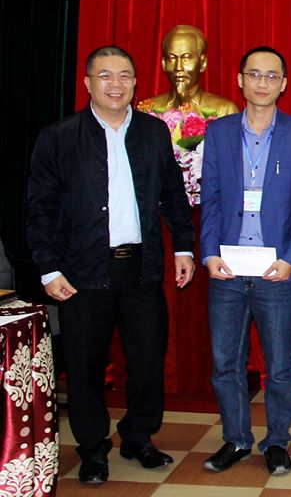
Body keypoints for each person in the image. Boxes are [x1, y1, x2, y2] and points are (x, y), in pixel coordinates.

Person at [26, 46, 195, 485]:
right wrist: (48, 268)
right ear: (87, 83)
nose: (115, 84)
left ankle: (138, 437)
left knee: (147, 359)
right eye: (105, 75)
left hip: (141, 268)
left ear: (135, 83)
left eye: (124, 76)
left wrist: (184, 247)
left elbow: (173, 195)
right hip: (82, 271)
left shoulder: (153, 133)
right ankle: (93, 449)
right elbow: (39, 209)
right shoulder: (60, 137)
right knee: (84, 365)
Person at [199, 46, 291, 476]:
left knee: (280, 366)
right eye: (254, 74)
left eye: (271, 76)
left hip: (277, 272)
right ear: (240, 80)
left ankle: (276, 441)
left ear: (283, 84)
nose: (262, 83)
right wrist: (208, 253)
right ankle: (235, 438)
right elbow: (211, 199)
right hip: (228, 269)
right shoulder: (219, 133)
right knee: (225, 365)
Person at [137, 24, 239, 117]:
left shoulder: (224, 110)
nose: (178, 67)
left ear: (202, 63)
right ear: (163, 64)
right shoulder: (148, 109)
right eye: (172, 58)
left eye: (186, 58)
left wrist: (186, 104)